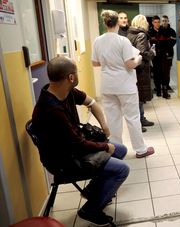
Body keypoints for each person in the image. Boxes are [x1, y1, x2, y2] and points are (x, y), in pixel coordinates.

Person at [31, 56, 129, 225]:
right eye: (77, 72)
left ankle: (92, 191)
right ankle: (89, 210)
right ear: (71, 77)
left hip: (72, 147)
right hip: (63, 160)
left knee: (121, 150)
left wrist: (104, 127)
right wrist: (105, 146)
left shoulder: (63, 91)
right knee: (122, 170)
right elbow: (79, 145)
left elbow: (92, 103)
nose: (78, 74)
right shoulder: (51, 109)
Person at [92, 9, 155, 158]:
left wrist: (109, 61)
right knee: (132, 118)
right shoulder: (122, 41)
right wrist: (139, 58)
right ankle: (140, 150)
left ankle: (116, 151)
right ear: (117, 24)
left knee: (113, 118)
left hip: (108, 86)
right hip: (125, 85)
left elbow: (95, 63)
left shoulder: (98, 40)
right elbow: (130, 64)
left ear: (105, 23)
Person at [127, 14, 156, 131]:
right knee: (139, 97)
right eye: (147, 24)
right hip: (141, 69)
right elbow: (143, 53)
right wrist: (152, 52)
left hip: (133, 69)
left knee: (138, 96)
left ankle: (141, 119)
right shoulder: (141, 35)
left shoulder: (130, 34)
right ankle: (138, 122)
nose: (148, 26)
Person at [149, 15, 171, 99]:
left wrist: (167, 52)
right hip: (155, 57)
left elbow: (169, 43)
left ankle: (165, 91)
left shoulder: (164, 31)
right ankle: (158, 90)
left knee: (164, 74)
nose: (157, 24)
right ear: (152, 23)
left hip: (163, 56)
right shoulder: (150, 33)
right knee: (156, 74)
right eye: (155, 22)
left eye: (158, 22)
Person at [161, 15, 177, 92]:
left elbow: (173, 42)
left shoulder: (172, 31)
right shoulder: (159, 30)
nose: (164, 22)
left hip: (169, 53)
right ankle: (161, 85)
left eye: (165, 21)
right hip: (160, 53)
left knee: (167, 70)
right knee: (160, 70)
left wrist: (166, 49)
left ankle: (167, 85)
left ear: (168, 21)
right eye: (163, 21)